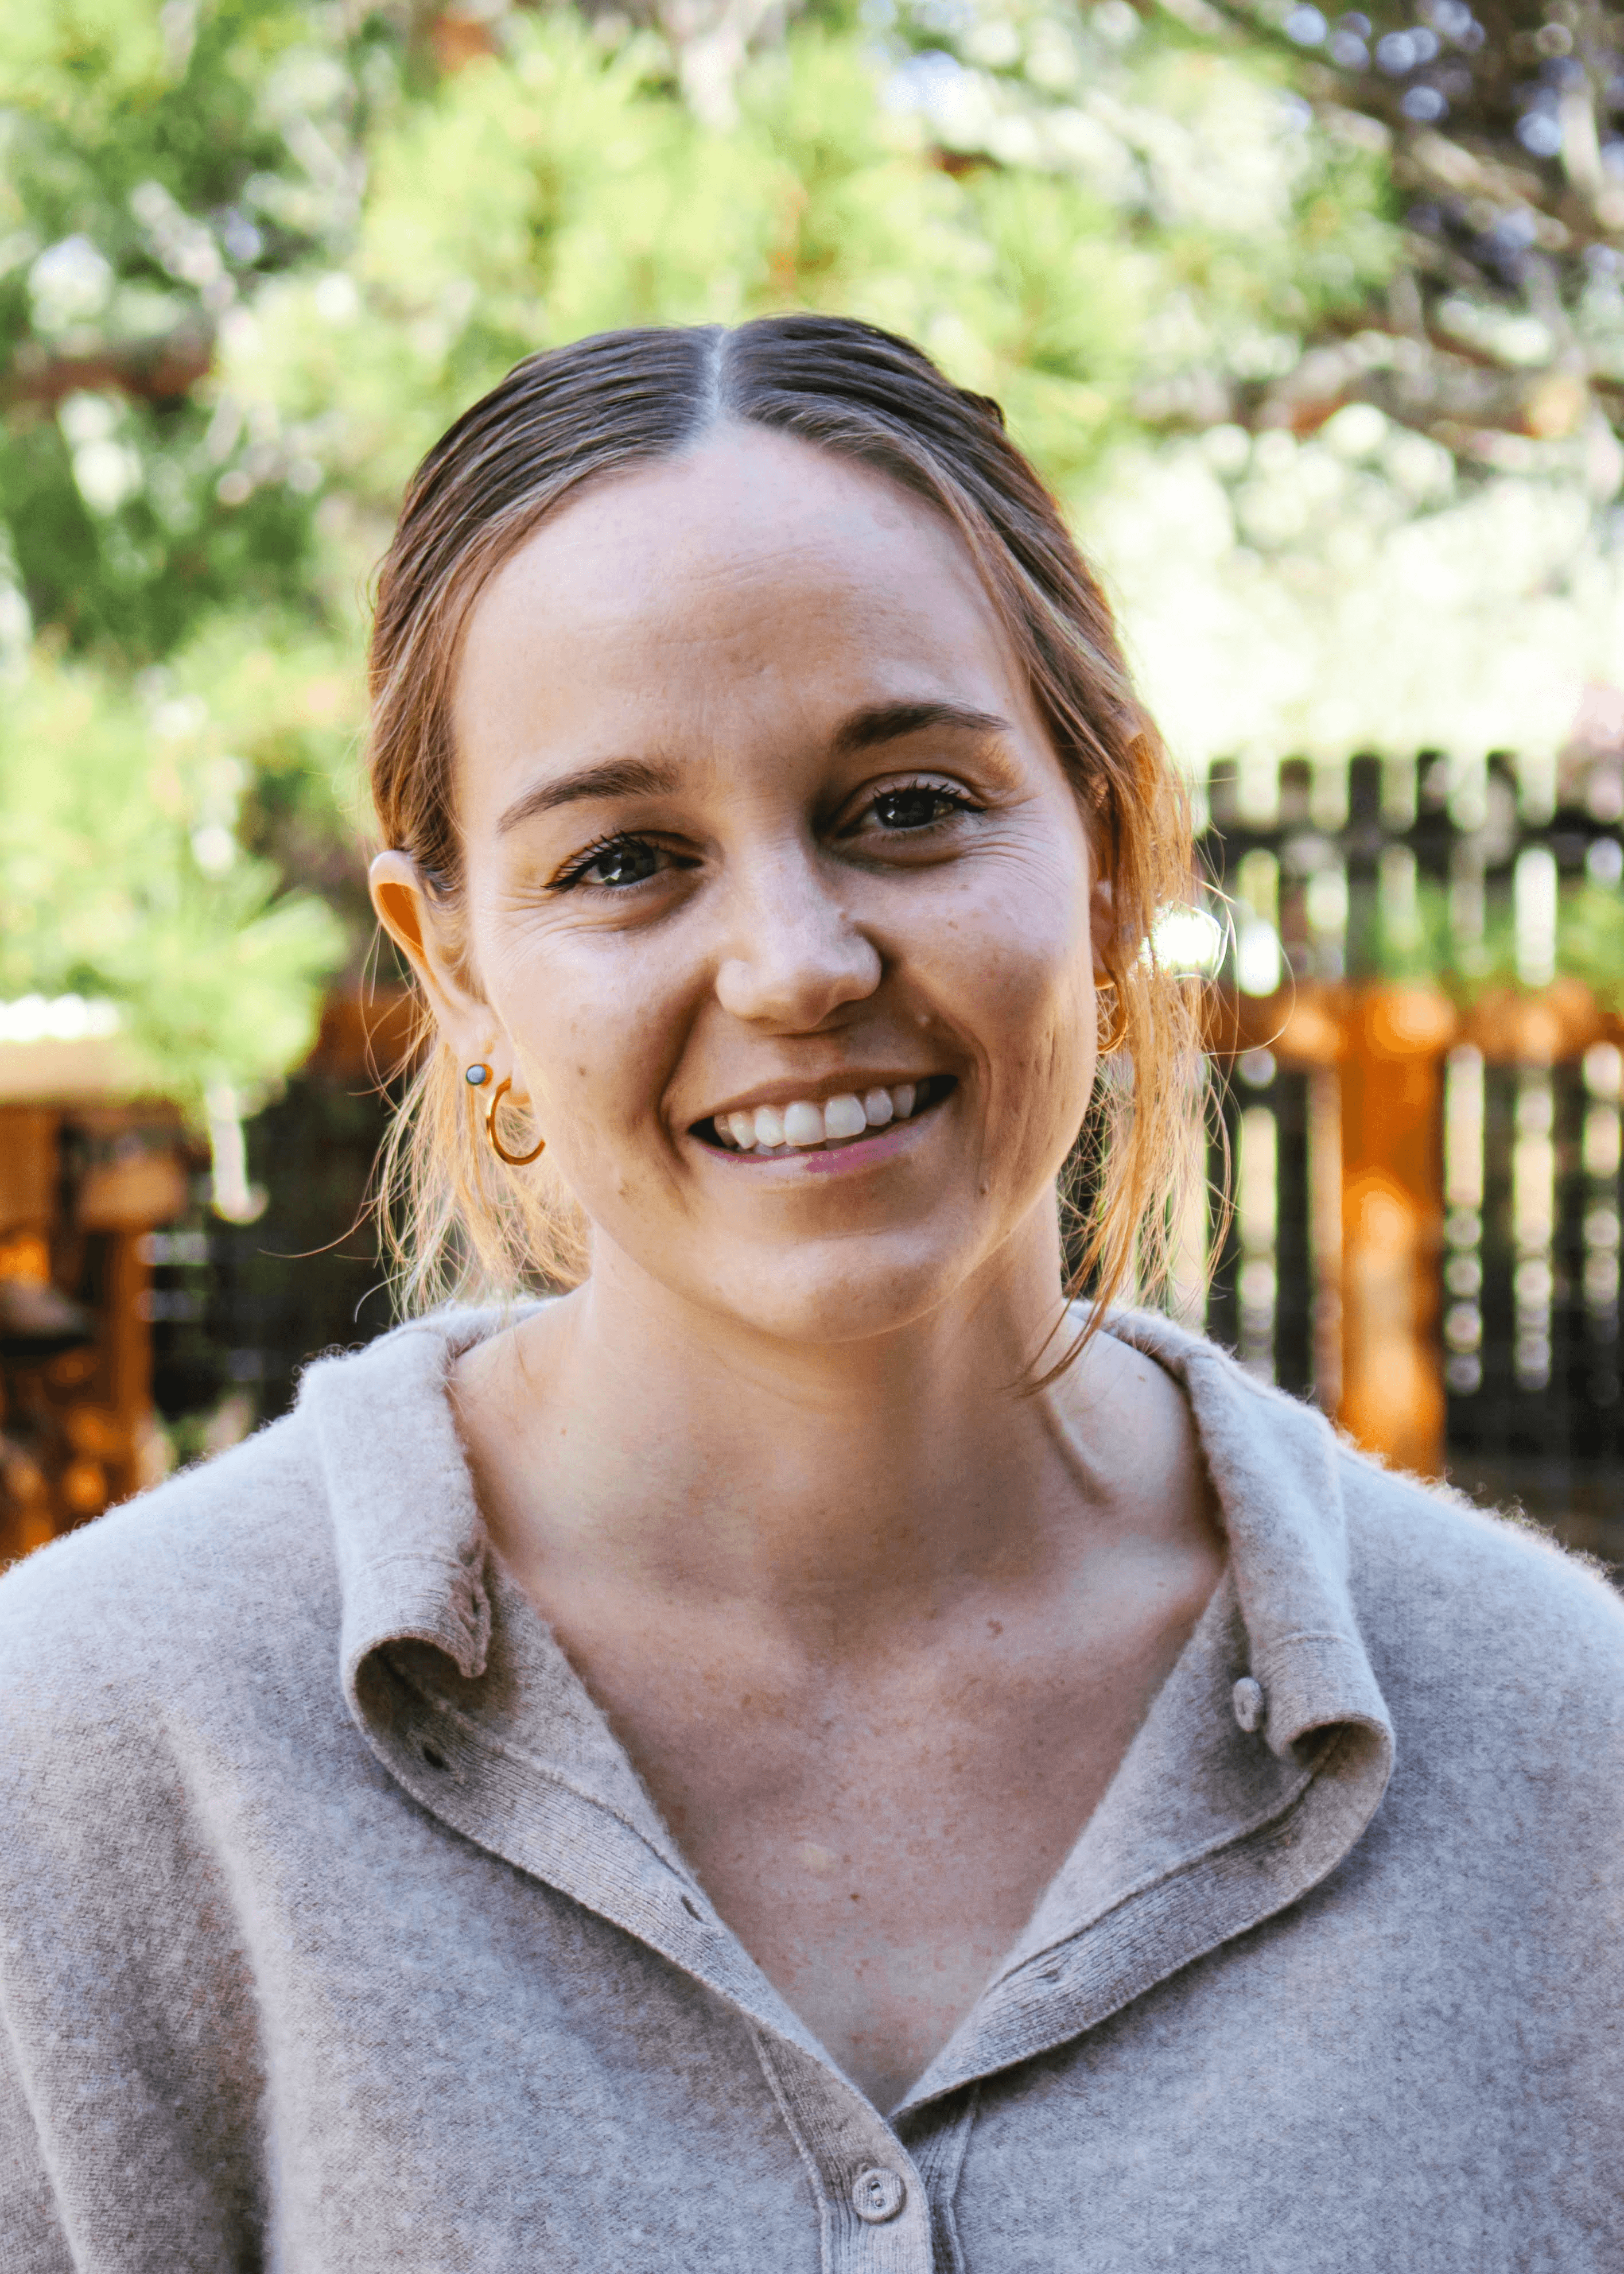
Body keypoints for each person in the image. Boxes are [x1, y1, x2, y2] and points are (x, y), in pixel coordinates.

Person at [2, 316, 1622, 2274]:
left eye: (907, 806)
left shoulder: (1556, 1752)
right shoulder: (100, 1754)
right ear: (455, 970)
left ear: (1109, 856)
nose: (791, 965)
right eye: (623, 859)